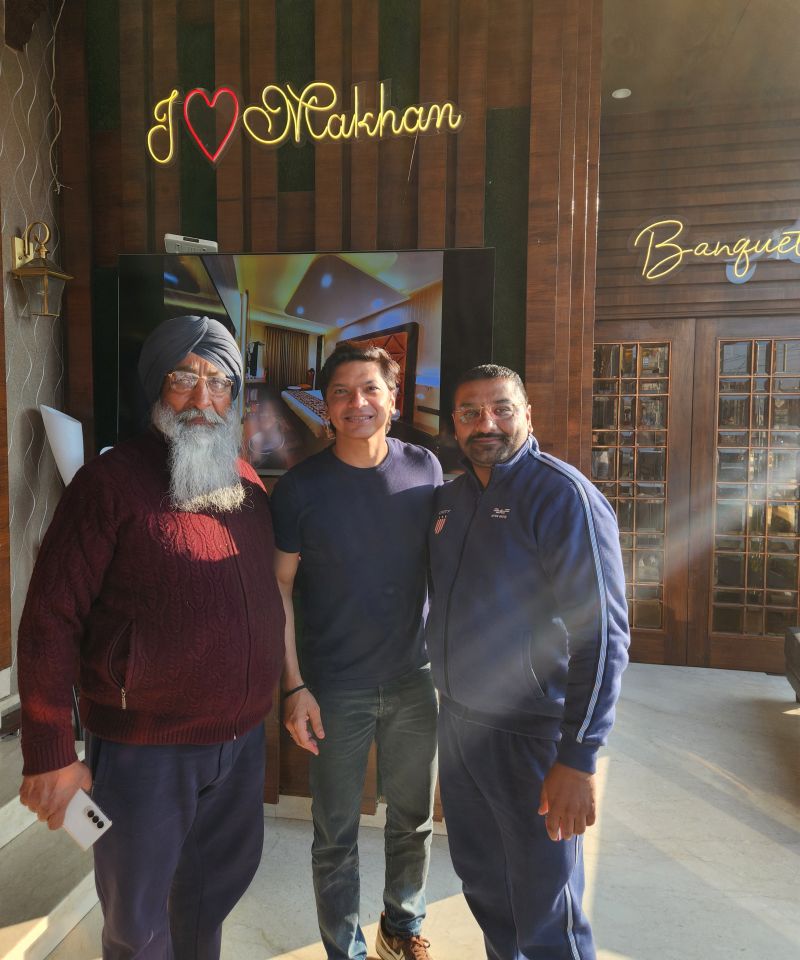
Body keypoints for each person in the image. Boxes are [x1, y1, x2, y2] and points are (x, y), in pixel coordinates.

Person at [17, 315, 286, 960]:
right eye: (183, 378)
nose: (202, 399)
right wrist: (50, 750)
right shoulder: (108, 484)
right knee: (137, 924)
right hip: (145, 751)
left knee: (209, 899)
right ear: (156, 388)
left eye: (218, 383)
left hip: (241, 742)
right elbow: (49, 619)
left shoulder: (247, 484)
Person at [426, 364, 630, 960]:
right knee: (486, 886)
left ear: (527, 416)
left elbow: (604, 635)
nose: (486, 422)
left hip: (532, 735)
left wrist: (579, 756)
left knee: (546, 909)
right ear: (454, 424)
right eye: (470, 412)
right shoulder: (450, 500)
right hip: (459, 725)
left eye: (501, 408)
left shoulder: (562, 496)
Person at [270, 343, 442, 960]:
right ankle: (345, 950)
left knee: (413, 820)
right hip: (334, 686)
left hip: (413, 678)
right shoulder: (300, 488)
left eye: (370, 389)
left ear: (393, 399)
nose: (356, 402)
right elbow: (278, 588)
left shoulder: (426, 470)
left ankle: (402, 926)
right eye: (341, 392)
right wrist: (294, 686)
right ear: (326, 406)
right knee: (335, 833)